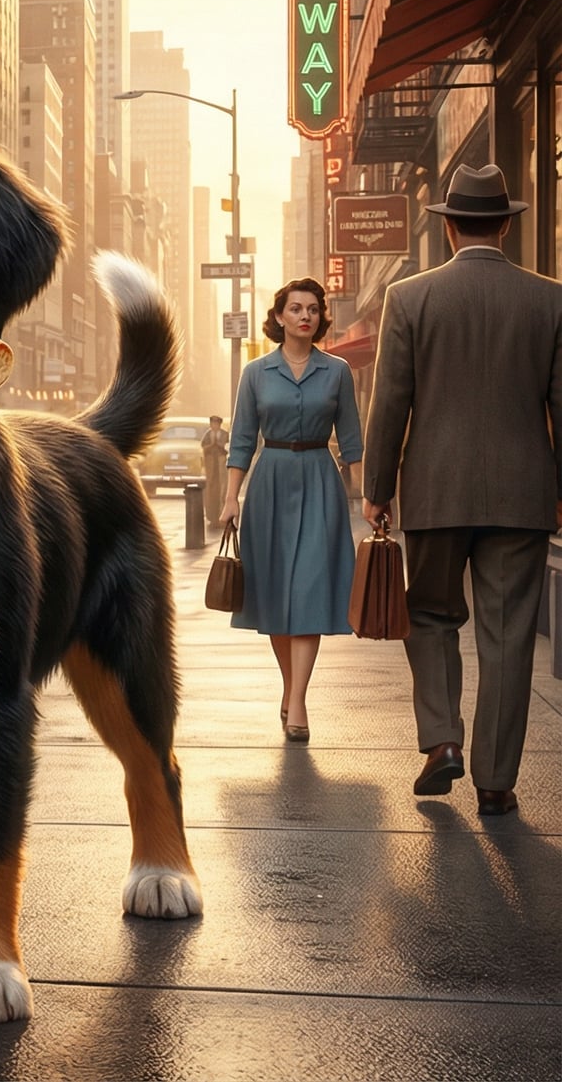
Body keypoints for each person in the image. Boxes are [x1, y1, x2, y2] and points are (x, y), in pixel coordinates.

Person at [363, 163, 562, 818]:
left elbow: (389, 401)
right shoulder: (551, 299)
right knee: (507, 636)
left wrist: (378, 486)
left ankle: (443, 738)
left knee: (431, 616)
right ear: (506, 223)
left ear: (448, 227)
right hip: (521, 493)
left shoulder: (410, 297)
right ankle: (497, 782)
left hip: (435, 491)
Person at [219, 277, 362, 744]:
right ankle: (290, 687)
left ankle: (297, 701)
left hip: (321, 480)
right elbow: (241, 440)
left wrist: (367, 497)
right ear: (279, 317)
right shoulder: (255, 373)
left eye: (313, 310)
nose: (305, 316)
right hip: (270, 484)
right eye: (296, 309)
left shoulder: (338, 371)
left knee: (310, 591)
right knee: (277, 594)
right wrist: (229, 498)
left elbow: (353, 441)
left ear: (321, 318)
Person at [200, 414, 229, 528]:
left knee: (223, 489)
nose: (214, 425)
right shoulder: (207, 435)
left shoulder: (225, 434)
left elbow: (227, 448)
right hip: (211, 466)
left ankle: (222, 514)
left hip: (221, 465)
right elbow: (203, 447)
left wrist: (220, 446)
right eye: (213, 423)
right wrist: (211, 445)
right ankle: (212, 516)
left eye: (216, 423)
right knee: (211, 491)